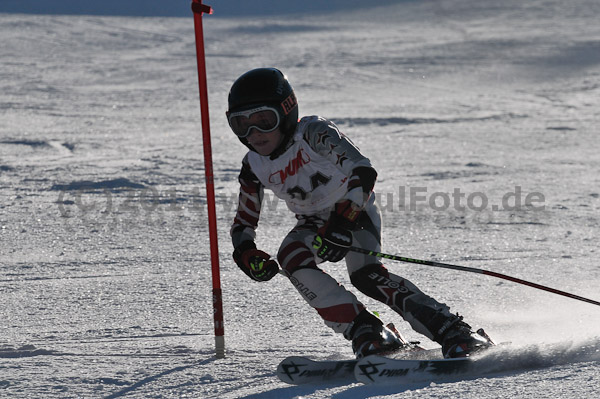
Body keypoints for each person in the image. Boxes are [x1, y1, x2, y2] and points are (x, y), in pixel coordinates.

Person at [227, 67, 493, 359]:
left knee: (366, 275)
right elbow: (244, 219)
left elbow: (363, 171)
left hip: (354, 211)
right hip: (313, 222)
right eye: (242, 125)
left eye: (264, 120)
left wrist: (342, 222)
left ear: (286, 112)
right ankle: (368, 330)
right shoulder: (253, 164)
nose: (254, 134)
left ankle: (451, 328)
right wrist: (245, 252)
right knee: (291, 256)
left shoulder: (313, 133)